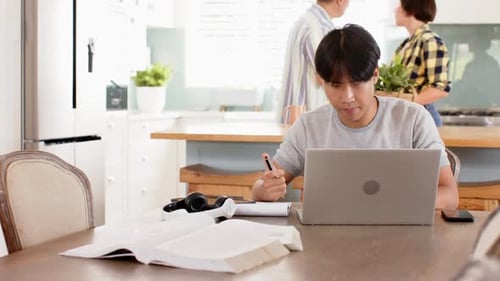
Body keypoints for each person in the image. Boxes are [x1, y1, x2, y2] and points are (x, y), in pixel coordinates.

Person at [252, 24, 459, 210]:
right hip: (326, 242)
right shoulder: (309, 126)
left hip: (399, 239)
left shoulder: (414, 119)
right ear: (321, 81)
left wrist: (390, 204)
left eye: (357, 83)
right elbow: (259, 188)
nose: (348, 97)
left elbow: (449, 195)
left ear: (375, 76)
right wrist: (265, 189)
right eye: (335, 85)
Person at [278, 0, 350, 123]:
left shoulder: (305, 20)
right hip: (304, 119)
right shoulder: (318, 27)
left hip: (294, 116)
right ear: (340, 1)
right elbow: (328, 76)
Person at [393, 0, 451, 126]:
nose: (395, 10)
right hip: (408, 114)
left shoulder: (430, 40)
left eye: (400, 5)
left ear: (410, 9)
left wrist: (410, 102)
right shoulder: (406, 44)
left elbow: (440, 88)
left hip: (422, 115)